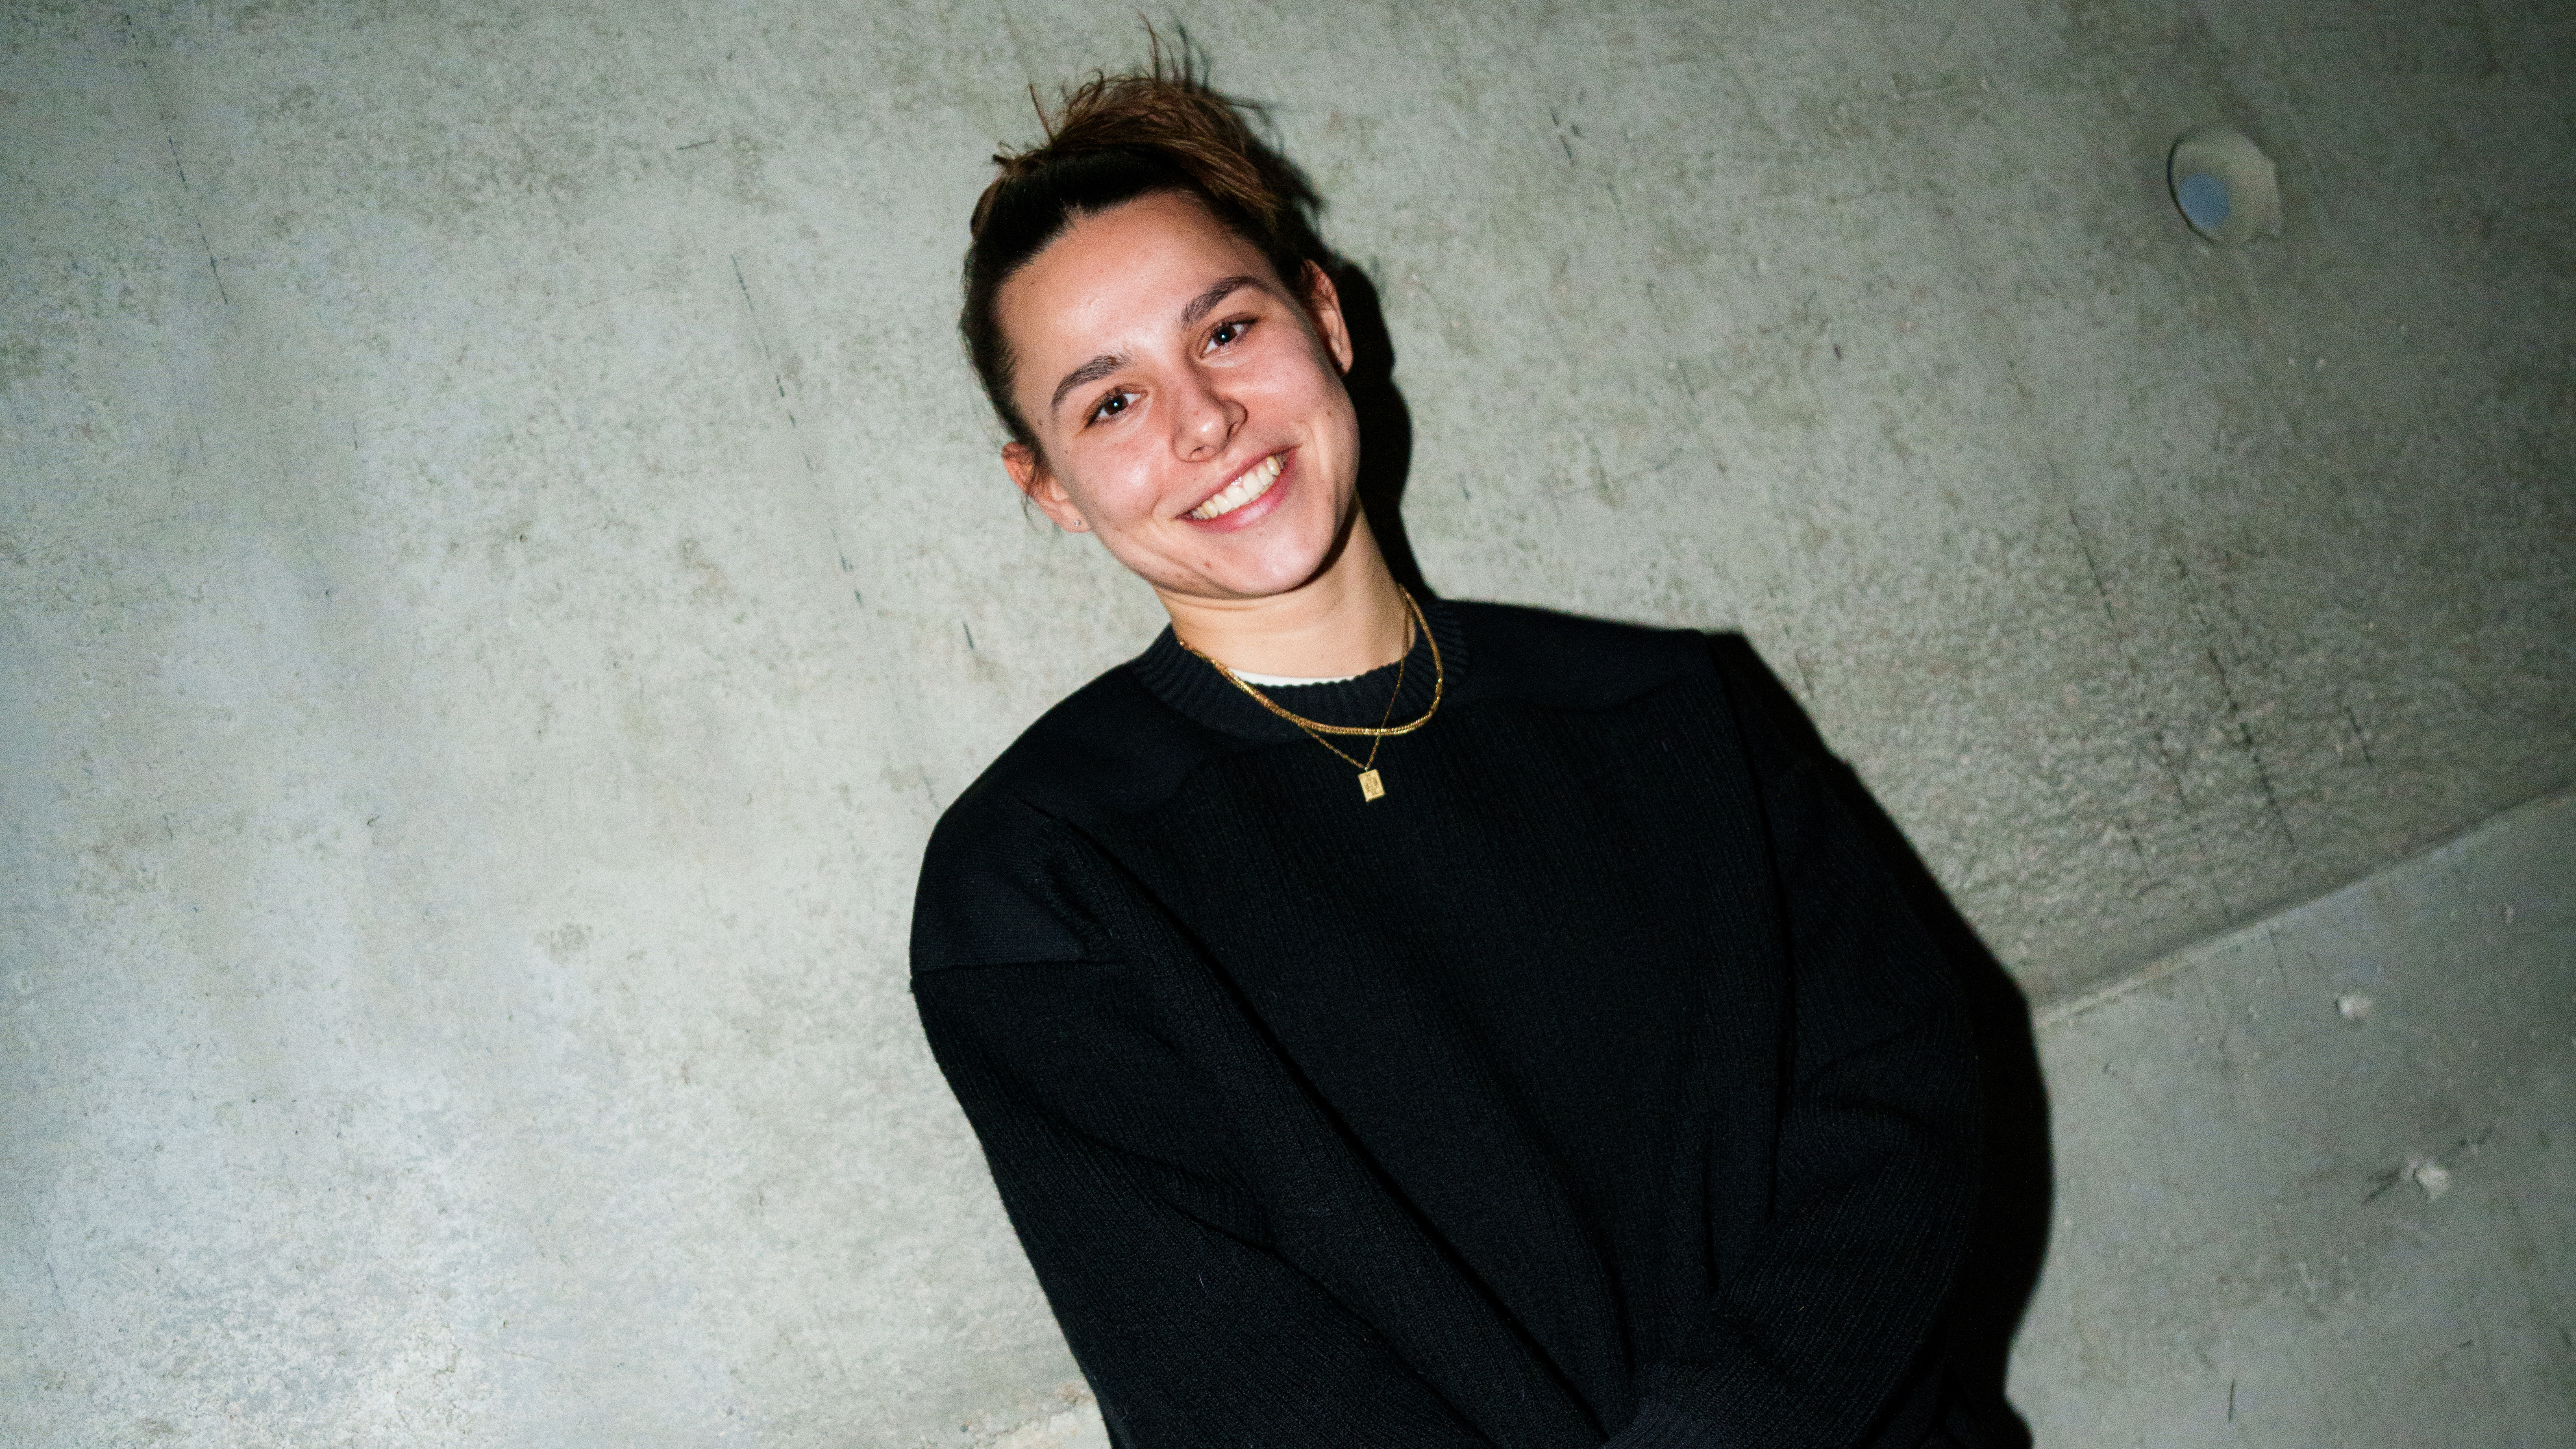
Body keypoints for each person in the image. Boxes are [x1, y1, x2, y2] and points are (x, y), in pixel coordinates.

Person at [911, 55, 1992, 1449]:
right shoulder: (1034, 880)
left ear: (1325, 315)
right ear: (1048, 487)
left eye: (1226, 331)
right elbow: (1222, 1370)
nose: (1202, 421)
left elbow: (1900, 1108)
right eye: (1108, 401)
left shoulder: (1674, 710)